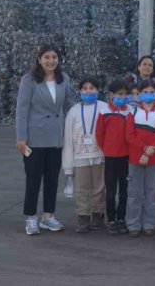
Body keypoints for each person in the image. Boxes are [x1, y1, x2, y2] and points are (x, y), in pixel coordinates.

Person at [15, 44, 76, 235]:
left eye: (54, 57)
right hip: (34, 138)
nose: (51, 61)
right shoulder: (29, 80)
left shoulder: (63, 79)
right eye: (47, 57)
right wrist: (21, 137)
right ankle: (31, 217)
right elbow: (22, 109)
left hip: (56, 137)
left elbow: (67, 104)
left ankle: (48, 216)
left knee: (52, 180)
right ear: (39, 59)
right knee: (33, 179)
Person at [62, 78, 108, 234]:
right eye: (85, 88)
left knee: (99, 187)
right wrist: (68, 167)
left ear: (98, 90)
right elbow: (68, 140)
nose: (89, 91)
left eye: (92, 88)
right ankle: (83, 216)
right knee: (82, 188)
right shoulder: (73, 111)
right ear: (80, 91)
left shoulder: (104, 108)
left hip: (100, 155)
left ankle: (98, 215)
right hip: (79, 157)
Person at [125, 80, 155, 237]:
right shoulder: (134, 112)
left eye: (152, 92)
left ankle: (150, 223)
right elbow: (129, 135)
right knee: (134, 193)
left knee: (152, 192)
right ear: (140, 93)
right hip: (136, 158)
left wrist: (149, 151)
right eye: (145, 92)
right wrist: (144, 149)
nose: (148, 95)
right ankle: (133, 223)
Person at [96, 79, 132, 235]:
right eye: (119, 94)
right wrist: (107, 149)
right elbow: (99, 135)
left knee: (124, 191)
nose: (122, 97)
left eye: (125, 94)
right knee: (111, 191)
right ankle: (111, 219)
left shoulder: (130, 111)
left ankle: (121, 218)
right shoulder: (104, 112)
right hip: (110, 157)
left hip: (126, 157)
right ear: (111, 95)